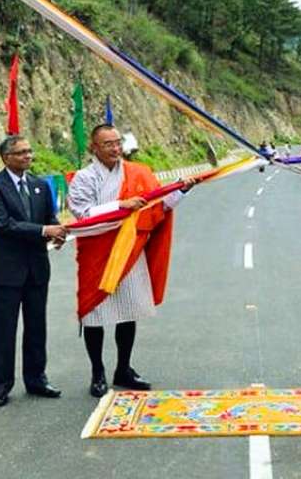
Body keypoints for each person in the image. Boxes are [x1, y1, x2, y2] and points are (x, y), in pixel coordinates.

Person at [68, 124, 198, 397]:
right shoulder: (84, 177)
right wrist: (120, 206)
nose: (115, 148)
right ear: (94, 147)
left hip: (131, 252)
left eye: (117, 143)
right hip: (98, 253)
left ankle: (123, 368)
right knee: (95, 314)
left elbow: (158, 206)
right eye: (108, 144)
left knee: (128, 312)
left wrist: (181, 191)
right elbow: (83, 214)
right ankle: (98, 372)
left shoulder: (139, 173)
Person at [0, 134, 68, 406]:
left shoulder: (41, 185)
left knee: (36, 327)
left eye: (30, 151)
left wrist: (57, 233)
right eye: (21, 153)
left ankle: (36, 379)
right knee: (4, 329)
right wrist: (44, 230)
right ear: (7, 158)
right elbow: (4, 225)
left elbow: (49, 218)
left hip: (37, 268)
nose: (28, 156)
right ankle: (1, 384)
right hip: (7, 270)